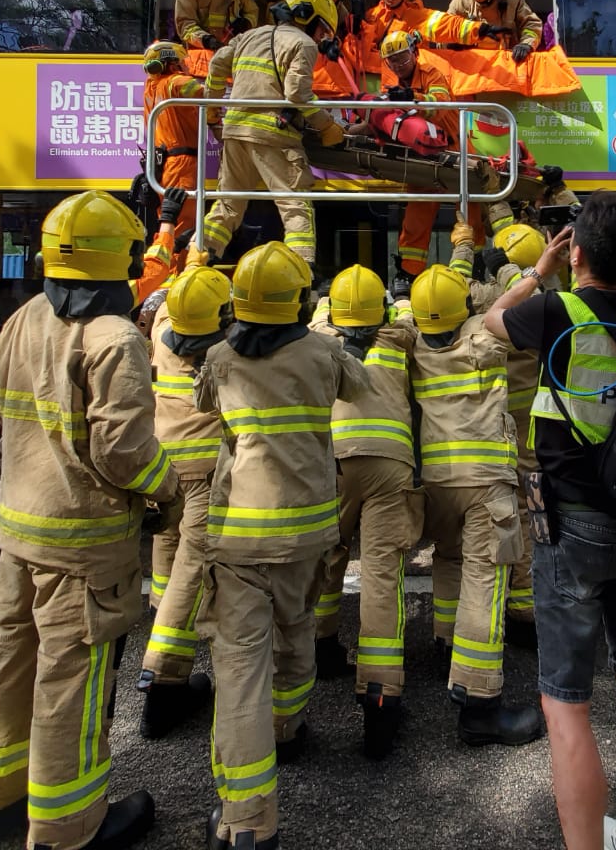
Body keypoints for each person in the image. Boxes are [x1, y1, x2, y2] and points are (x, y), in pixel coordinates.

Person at [0, 191, 178, 850]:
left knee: (11, 664)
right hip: (84, 547)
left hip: (20, 531)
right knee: (72, 684)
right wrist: (166, 490)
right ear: (117, 260)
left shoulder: (27, 315)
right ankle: (68, 829)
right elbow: (123, 455)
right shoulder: (114, 337)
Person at [483, 192, 616, 850]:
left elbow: (489, 321)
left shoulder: (554, 308)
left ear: (578, 253)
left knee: (566, 704)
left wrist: (540, 269)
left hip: (572, 528)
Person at [193, 241, 370, 849]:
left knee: (240, 666)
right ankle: (288, 727)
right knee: (296, 630)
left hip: (238, 538)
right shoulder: (322, 353)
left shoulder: (219, 356)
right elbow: (363, 388)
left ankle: (245, 820)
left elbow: (202, 403)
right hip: (305, 534)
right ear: (298, 300)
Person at [409, 226, 543, 747]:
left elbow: (432, 301)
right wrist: (533, 271)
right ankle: (480, 702)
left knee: (449, 558)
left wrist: (459, 259)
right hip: (485, 483)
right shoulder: (486, 340)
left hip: (437, 483)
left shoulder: (411, 339)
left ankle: (446, 643)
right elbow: (509, 307)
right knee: (485, 582)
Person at [307, 265, 423, 759]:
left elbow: (318, 313)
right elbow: (411, 317)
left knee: (328, 559)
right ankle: (380, 697)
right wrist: (397, 300)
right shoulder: (399, 337)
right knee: (381, 577)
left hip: (332, 462)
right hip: (390, 465)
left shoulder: (317, 337)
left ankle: (321, 646)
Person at [136, 265, 233, 739]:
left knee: (168, 554)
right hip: (206, 474)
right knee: (193, 568)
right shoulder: (227, 347)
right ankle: (165, 683)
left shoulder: (159, 330)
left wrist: (192, 250)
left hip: (164, 466)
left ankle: (159, 619)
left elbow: (172, 290)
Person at [193, 0, 345, 272]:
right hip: (274, 136)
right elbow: (297, 94)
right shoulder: (304, 44)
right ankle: (302, 273)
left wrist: (214, 113)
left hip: (235, 132)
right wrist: (327, 126)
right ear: (308, 17)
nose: (322, 39)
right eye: (322, 30)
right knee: (295, 206)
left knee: (227, 206)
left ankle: (197, 262)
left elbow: (215, 63)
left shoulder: (249, 35)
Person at [478, 223, 551, 642]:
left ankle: (522, 604)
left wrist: (502, 270)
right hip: (535, 428)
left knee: (517, 513)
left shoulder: (503, 300)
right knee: (533, 510)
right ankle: (533, 599)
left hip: (503, 427)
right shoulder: (554, 298)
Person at [377, 30, 482, 278]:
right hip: (421, 156)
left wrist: (412, 97)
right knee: (416, 218)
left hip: (454, 149)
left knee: (470, 214)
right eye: (393, 61)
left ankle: (475, 266)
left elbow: (439, 105)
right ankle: (409, 273)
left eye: (403, 58)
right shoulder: (390, 84)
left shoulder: (432, 74)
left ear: (414, 53)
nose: (399, 65)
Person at [354, 0, 503, 90]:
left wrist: (478, 30)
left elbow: (448, 25)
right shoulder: (370, 17)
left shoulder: (417, 15)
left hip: (411, 91)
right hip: (378, 89)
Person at [141, 41, 204, 242]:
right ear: (171, 63)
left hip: (166, 163)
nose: (186, 66)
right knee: (183, 223)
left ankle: (167, 266)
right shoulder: (175, 82)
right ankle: (177, 271)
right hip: (181, 163)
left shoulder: (152, 88)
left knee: (170, 218)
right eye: (182, 62)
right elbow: (201, 91)